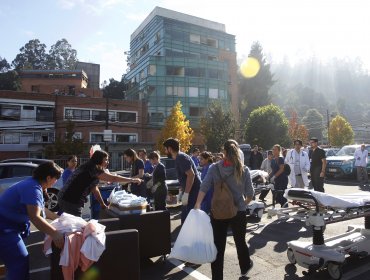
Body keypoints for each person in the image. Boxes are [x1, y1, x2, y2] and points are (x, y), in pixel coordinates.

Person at [194, 139, 254, 279]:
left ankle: (217, 277)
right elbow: (250, 194)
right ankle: (245, 267)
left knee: (218, 246)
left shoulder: (214, 168)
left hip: (218, 212)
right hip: (238, 212)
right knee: (240, 242)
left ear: (224, 152)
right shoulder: (243, 169)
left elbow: (204, 187)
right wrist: (242, 205)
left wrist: (197, 204)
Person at [0, 162, 65, 279]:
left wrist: (60, 219)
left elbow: (40, 210)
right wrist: (55, 233)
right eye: (56, 178)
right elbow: (35, 217)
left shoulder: (34, 184)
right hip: (4, 229)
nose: (56, 181)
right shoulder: (32, 188)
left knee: (16, 263)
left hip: (7, 228)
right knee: (19, 261)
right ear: (48, 177)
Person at [58, 150, 141, 217]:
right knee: (74, 226)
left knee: (71, 224)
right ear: (99, 159)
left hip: (66, 198)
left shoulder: (89, 167)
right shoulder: (92, 168)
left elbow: (95, 188)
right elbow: (113, 178)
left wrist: (102, 204)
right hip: (70, 200)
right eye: (106, 159)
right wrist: (132, 180)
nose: (107, 162)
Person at [163, 138, 201, 224]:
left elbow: (191, 175)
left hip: (193, 192)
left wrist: (186, 193)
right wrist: (181, 192)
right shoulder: (179, 158)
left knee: (188, 220)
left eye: (165, 149)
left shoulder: (181, 157)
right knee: (186, 218)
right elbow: (183, 177)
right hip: (190, 191)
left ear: (169, 149)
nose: (165, 152)